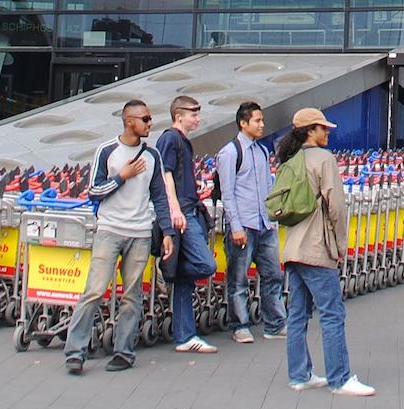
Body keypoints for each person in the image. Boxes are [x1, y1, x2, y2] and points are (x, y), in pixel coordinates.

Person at [276, 107, 374, 396]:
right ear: (311, 130)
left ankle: (299, 375)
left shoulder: (289, 160)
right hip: (317, 246)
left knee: (297, 314)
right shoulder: (324, 159)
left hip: (293, 245)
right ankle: (340, 377)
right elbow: (337, 207)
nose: (327, 131)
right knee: (332, 313)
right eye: (322, 127)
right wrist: (341, 244)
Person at [63, 98, 159, 375]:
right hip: (110, 229)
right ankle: (75, 351)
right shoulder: (107, 151)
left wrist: (165, 231)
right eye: (145, 119)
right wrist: (122, 176)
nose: (149, 123)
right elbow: (93, 191)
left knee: (132, 295)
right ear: (129, 121)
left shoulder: (152, 155)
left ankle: (124, 352)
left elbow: (159, 195)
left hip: (140, 231)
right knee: (94, 290)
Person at [151, 94, 219, 352]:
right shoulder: (171, 138)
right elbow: (165, 173)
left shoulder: (181, 141)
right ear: (179, 115)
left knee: (185, 282)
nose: (197, 118)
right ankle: (168, 270)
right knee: (206, 263)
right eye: (193, 114)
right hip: (183, 213)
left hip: (188, 210)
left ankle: (185, 336)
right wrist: (175, 209)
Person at [218, 101, 284, 344]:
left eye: (262, 120)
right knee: (238, 279)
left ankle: (275, 323)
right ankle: (240, 325)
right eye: (257, 121)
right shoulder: (231, 152)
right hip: (244, 224)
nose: (261, 125)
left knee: (273, 275)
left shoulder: (262, 151)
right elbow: (228, 193)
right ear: (243, 123)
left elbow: (268, 186)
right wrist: (235, 227)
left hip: (264, 224)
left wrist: (273, 216)